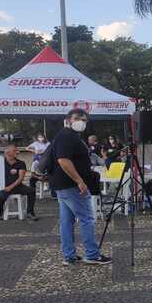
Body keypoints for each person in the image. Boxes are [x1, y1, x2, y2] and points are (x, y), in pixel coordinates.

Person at [50, 109, 112, 266]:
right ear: (68, 120)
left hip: (63, 185)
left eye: (84, 120)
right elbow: (63, 160)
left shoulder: (67, 136)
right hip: (72, 185)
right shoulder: (67, 136)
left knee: (66, 221)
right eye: (77, 118)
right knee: (87, 219)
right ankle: (92, 254)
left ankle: (69, 255)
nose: (81, 122)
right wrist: (79, 181)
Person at [0, 144, 39, 221]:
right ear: (8, 153)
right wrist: (1, 186)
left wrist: (10, 187)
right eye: (15, 151)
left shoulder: (21, 163)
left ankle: (30, 212)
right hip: (4, 187)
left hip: (18, 186)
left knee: (31, 191)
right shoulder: (0, 163)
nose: (17, 152)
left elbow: (20, 178)